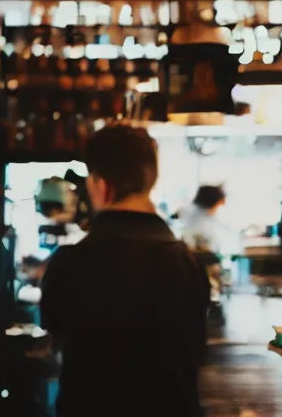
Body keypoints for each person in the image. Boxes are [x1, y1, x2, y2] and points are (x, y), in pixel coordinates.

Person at [40, 124, 209, 417]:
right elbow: (194, 349)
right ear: (150, 180)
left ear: (100, 185)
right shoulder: (188, 264)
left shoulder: (70, 262)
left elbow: (53, 326)